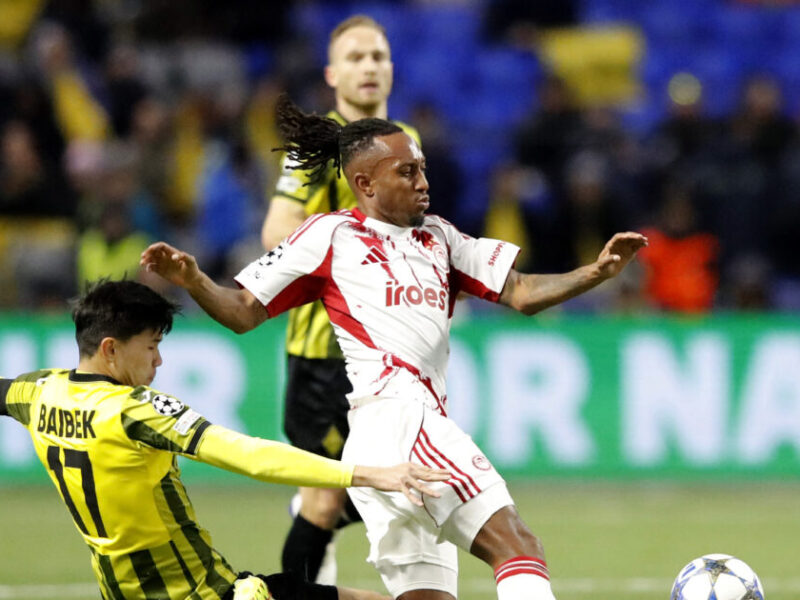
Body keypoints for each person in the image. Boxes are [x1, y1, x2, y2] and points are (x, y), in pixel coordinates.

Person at [141, 96, 647, 600]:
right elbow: (244, 310)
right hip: (400, 420)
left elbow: (520, 291)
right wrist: (195, 280)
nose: (423, 182)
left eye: (422, 169)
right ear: (365, 184)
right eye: (407, 172)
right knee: (518, 546)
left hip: (387, 448)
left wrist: (595, 273)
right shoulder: (332, 235)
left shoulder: (440, 237)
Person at [0, 279, 450, 600]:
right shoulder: (133, 410)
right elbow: (247, 455)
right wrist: (368, 474)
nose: (158, 360)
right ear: (111, 348)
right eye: (151, 346)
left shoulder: (39, 392)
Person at [260, 14, 420, 585]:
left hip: (389, 353)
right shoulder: (316, 145)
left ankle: (308, 517)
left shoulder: (406, 140)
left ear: (392, 68)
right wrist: (350, 248)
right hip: (323, 357)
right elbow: (276, 231)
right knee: (326, 501)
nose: (368, 66)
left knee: (410, 482)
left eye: (377, 56)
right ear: (332, 74)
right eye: (355, 57)